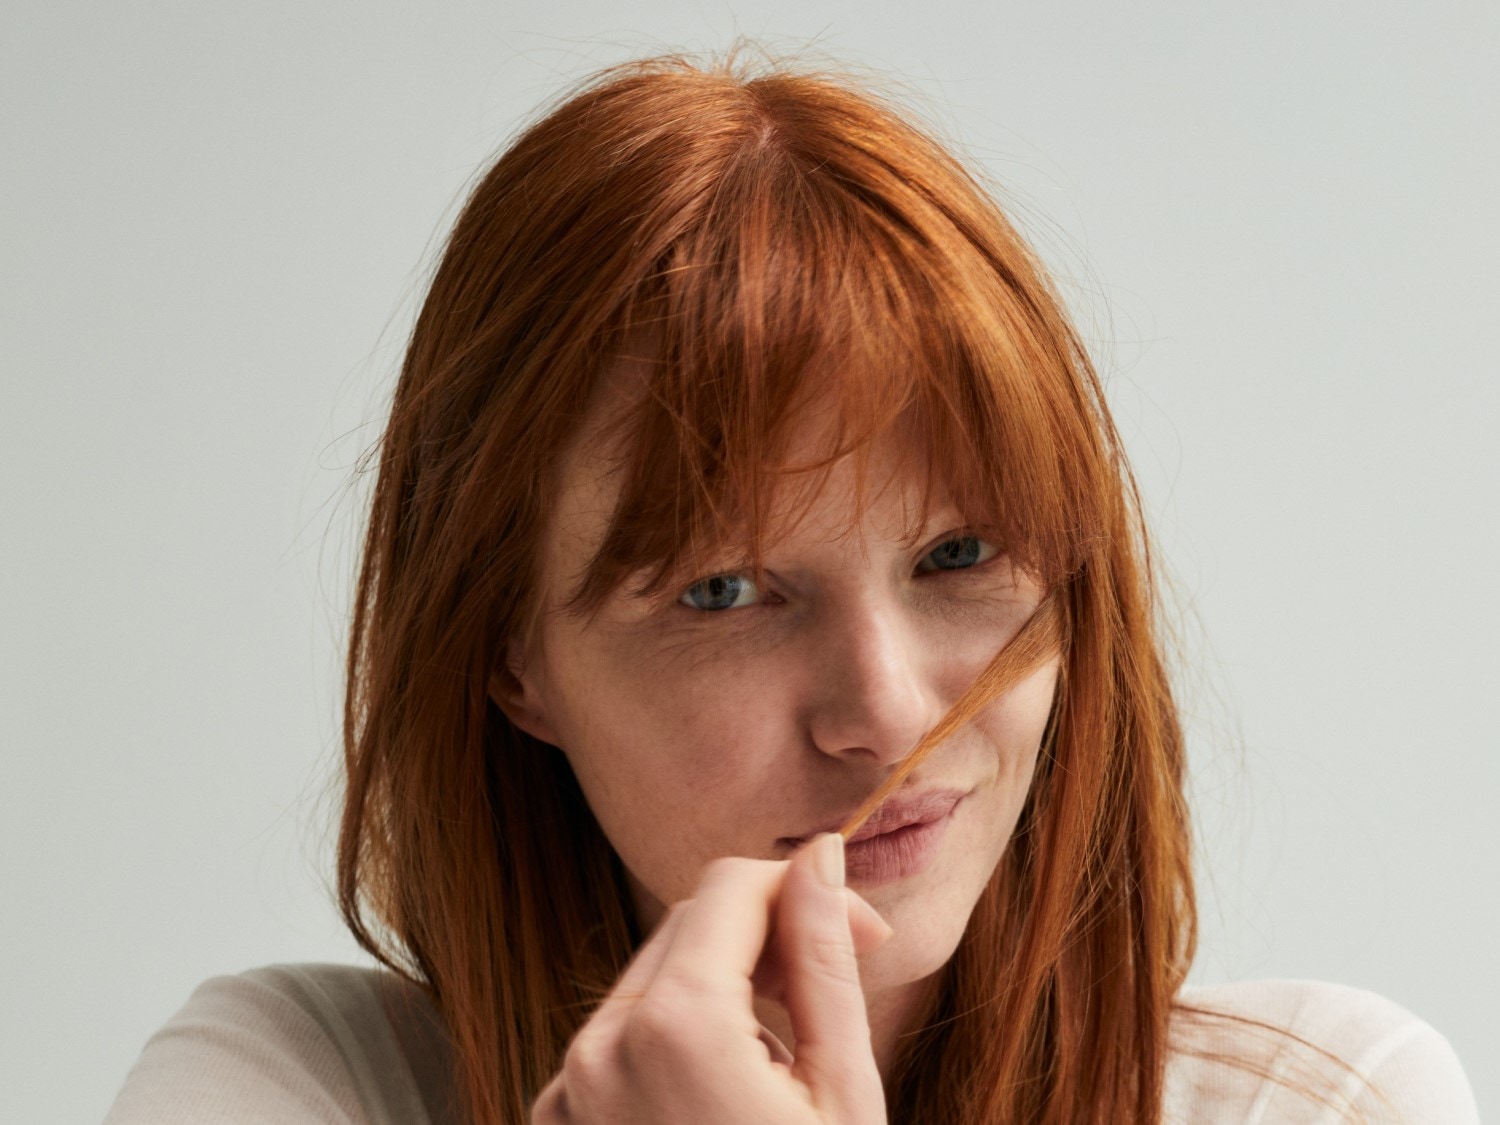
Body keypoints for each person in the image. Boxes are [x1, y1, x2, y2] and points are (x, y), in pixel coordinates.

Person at [104, 51, 1478, 1124]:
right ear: (510, 656)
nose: (882, 716)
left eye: (958, 556)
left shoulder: (1322, 1095)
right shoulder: (293, 1083)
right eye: (725, 590)